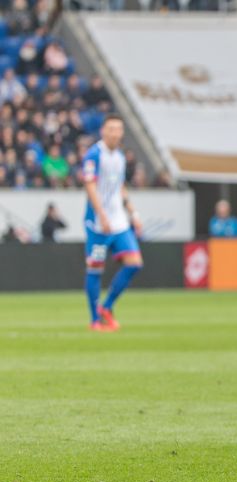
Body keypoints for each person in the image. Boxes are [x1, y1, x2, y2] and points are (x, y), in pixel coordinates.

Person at [83, 114, 143, 332]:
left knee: (134, 262)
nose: (115, 133)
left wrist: (133, 214)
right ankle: (94, 319)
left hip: (119, 221)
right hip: (98, 224)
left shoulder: (119, 156)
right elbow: (90, 186)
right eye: (111, 129)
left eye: (118, 129)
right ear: (103, 131)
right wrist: (101, 215)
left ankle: (106, 307)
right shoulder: (93, 155)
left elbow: (120, 187)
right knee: (95, 269)